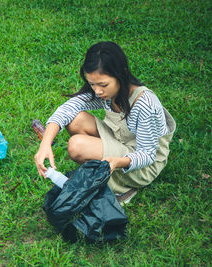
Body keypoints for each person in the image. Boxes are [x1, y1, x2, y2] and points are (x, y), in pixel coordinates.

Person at [34, 41, 176, 202]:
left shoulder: (145, 104)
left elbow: (148, 155)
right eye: (92, 84)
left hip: (143, 164)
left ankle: (123, 187)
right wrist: (45, 143)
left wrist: (118, 162)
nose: (97, 91)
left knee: (76, 146)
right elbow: (68, 108)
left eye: (103, 85)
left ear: (121, 74)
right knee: (75, 120)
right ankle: (103, 170)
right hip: (120, 141)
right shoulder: (106, 92)